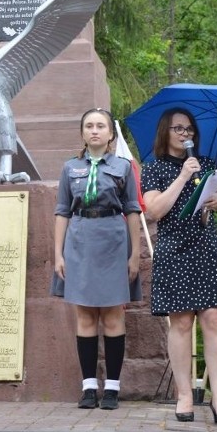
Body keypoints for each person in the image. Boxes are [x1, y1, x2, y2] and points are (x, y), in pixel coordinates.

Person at [140, 108, 217, 427]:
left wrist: (215, 202)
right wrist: (182, 176)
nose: (185, 133)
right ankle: (183, 395)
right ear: (165, 132)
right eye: (178, 128)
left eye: (189, 128)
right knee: (180, 322)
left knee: (213, 317)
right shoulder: (153, 169)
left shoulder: (206, 165)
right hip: (173, 248)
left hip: (205, 246)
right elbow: (154, 210)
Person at [51, 108, 143, 410]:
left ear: (111, 134)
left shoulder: (124, 167)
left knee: (114, 315)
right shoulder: (70, 168)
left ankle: (113, 388)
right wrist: (58, 254)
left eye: (100, 126)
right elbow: (62, 211)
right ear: (82, 133)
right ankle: (89, 387)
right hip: (80, 241)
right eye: (89, 126)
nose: (94, 131)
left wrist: (134, 254)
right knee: (86, 316)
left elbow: (132, 210)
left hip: (113, 240)